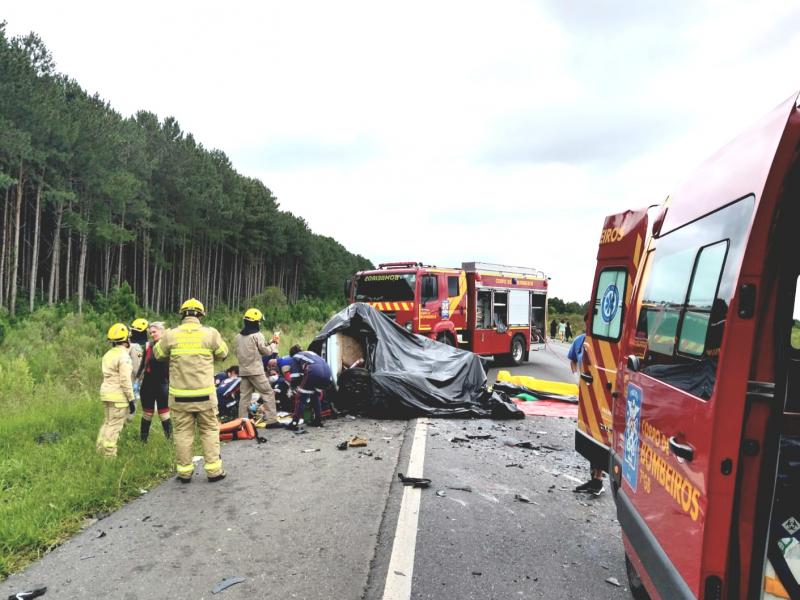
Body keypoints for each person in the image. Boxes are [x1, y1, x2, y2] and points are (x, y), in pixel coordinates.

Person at [154, 298, 228, 483]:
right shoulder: (210, 334)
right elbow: (223, 354)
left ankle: (184, 473)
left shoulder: (171, 335)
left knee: (182, 433)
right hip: (205, 396)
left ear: (182, 314)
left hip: (179, 398)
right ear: (201, 315)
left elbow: (158, 354)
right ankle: (214, 472)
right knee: (210, 430)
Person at [569, 314, 604, 496]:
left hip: (601, 397)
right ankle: (594, 478)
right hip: (586, 395)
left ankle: (598, 480)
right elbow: (573, 359)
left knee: (598, 435)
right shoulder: (580, 341)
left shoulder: (603, 345)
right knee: (588, 434)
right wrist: (576, 376)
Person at [96, 323, 135, 458]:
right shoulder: (124, 356)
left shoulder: (108, 354)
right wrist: (131, 399)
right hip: (118, 396)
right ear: (126, 340)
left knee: (107, 423)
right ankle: (109, 456)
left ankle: (100, 450)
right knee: (115, 427)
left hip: (106, 394)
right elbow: (125, 380)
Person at [234, 308, 278, 425]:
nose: (259, 323)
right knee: (268, 392)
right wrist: (273, 345)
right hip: (256, 371)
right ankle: (272, 420)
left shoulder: (238, 337)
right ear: (255, 322)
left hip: (243, 371)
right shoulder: (257, 335)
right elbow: (266, 352)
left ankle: (242, 422)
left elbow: (243, 351)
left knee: (244, 397)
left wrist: (268, 343)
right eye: (259, 321)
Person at [138, 321, 171, 441]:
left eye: (154, 332)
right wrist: (137, 380)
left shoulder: (168, 346)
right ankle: (143, 441)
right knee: (147, 414)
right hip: (148, 385)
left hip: (162, 384)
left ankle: (170, 441)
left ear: (162, 331)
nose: (152, 334)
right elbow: (143, 365)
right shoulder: (149, 346)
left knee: (164, 414)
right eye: (150, 332)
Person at [288, 348, 332, 430]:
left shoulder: (295, 357)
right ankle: (318, 421)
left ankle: (294, 423)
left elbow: (295, 376)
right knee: (315, 396)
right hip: (327, 372)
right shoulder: (310, 353)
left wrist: (292, 388)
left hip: (314, 371)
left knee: (300, 397)